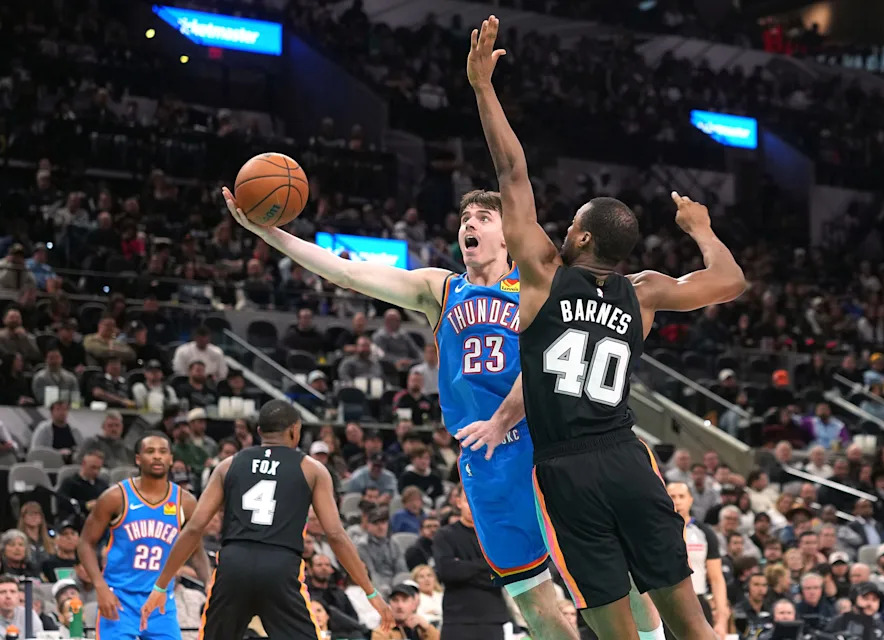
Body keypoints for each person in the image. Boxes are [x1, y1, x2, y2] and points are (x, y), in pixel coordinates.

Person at [224, 123, 624, 640]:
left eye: (483, 217)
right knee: (532, 596)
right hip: (483, 456)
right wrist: (267, 232)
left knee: (596, 579)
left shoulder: (535, 283)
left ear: (507, 233)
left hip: (542, 441)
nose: (469, 224)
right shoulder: (440, 288)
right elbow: (345, 273)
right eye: (465, 218)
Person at [466, 15, 745, 640]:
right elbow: (730, 283)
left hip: (565, 468)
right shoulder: (643, 293)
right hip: (627, 457)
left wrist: (484, 88)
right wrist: (700, 230)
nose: (561, 229)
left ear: (582, 236)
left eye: (571, 225)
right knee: (691, 625)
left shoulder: (540, 274)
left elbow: (513, 174)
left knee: (617, 632)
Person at [140, 399, 392, 637]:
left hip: (234, 564)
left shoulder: (228, 465)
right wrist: (370, 592)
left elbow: (194, 528)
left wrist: (161, 586)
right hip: (280, 566)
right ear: (295, 431)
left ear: (260, 431)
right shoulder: (312, 469)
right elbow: (336, 535)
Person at [77, 432, 210, 640]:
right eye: (150, 451)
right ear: (138, 459)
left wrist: (209, 583)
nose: (157, 456)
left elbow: (196, 550)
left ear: (171, 459)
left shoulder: (185, 502)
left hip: (161, 599)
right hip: (119, 597)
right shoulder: (115, 497)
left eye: (163, 452)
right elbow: (85, 543)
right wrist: (100, 587)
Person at [433, 487, 511, 640]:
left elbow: (503, 575)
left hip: (492, 618)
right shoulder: (445, 535)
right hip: (456, 618)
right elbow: (447, 572)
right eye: (468, 501)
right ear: (458, 503)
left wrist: (462, 566)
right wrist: (485, 565)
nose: (473, 506)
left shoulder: (495, 536)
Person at [665, 482, 729, 637]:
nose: (677, 501)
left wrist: (722, 619)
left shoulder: (704, 532)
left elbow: (716, 579)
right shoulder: (655, 532)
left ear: (690, 499)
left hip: (698, 601)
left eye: (681, 496)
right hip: (666, 602)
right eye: (672, 496)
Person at [372, 583, 440, 640]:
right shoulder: (381, 633)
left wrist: (427, 628)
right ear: (390, 604)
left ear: (414, 604)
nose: (400, 605)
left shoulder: (421, 628)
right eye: (395, 600)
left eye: (404, 600)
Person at [58, 449, 109, 514]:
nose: (96, 472)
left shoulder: (102, 485)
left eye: (99, 468)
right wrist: (86, 505)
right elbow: (63, 504)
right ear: (83, 464)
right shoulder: (69, 483)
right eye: (93, 467)